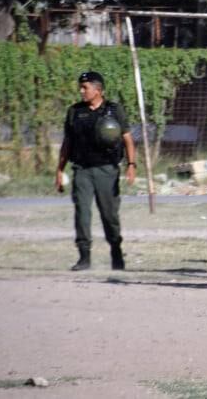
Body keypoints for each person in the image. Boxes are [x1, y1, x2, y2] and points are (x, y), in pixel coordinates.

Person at [57, 71, 137, 271]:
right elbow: (67, 142)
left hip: (107, 170)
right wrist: (59, 170)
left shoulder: (114, 110)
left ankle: (116, 252)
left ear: (98, 90)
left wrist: (131, 165)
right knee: (82, 212)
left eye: (85, 87)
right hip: (82, 169)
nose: (81, 91)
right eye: (81, 87)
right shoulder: (74, 111)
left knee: (109, 214)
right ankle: (84, 257)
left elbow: (127, 139)